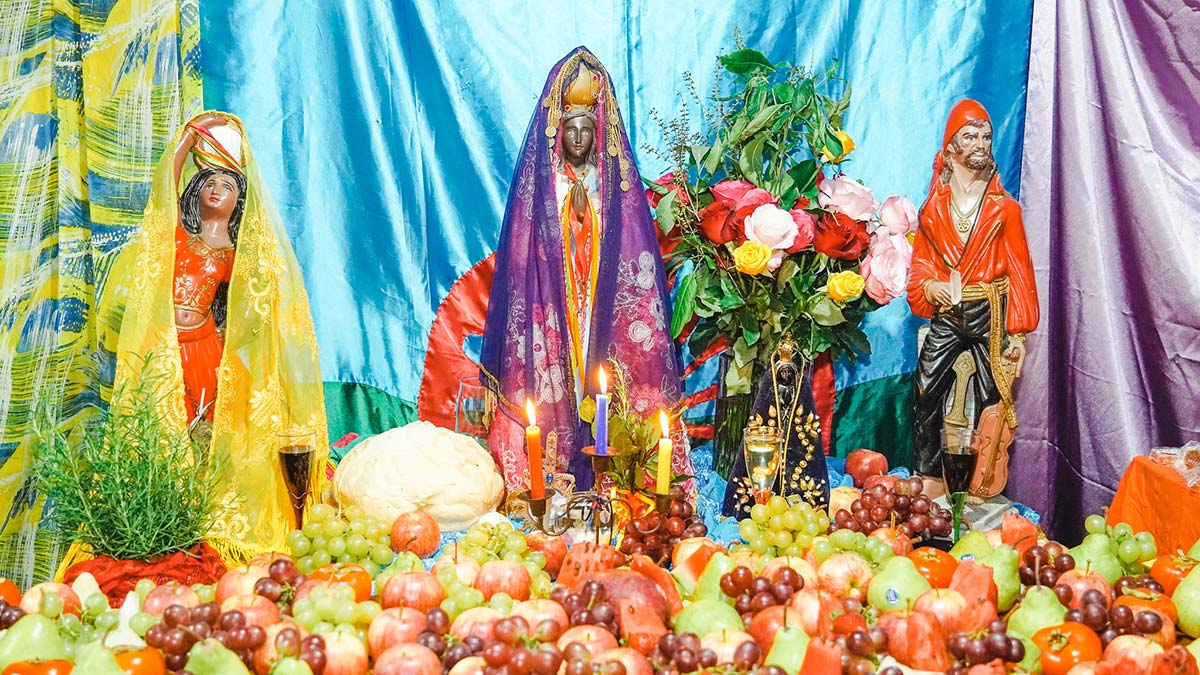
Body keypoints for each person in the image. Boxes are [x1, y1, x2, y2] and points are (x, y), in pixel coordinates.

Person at [105, 111, 328, 561]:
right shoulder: (177, 239)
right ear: (196, 191)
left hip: (207, 346)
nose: (215, 190)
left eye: (227, 186)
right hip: (167, 347)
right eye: (209, 183)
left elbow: (259, 301)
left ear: (238, 200)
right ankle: (167, 509)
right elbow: (163, 190)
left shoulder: (233, 254)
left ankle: (202, 512)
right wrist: (189, 139)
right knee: (165, 426)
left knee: (204, 427)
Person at [480, 47, 689, 492]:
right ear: (559, 135)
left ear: (598, 137)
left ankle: (617, 461)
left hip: (598, 299)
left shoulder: (608, 187)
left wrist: (589, 214)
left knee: (604, 375)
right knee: (560, 378)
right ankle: (550, 467)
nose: (578, 139)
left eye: (586, 132)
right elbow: (525, 251)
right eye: (570, 130)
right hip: (556, 303)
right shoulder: (546, 185)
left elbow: (627, 245)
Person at [906, 99, 1039, 497]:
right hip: (949, 313)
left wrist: (1018, 335)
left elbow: (1020, 272)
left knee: (989, 395)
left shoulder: (1005, 210)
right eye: (970, 135)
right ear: (951, 147)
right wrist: (931, 287)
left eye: (985, 136)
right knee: (927, 386)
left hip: (989, 311)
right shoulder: (933, 209)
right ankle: (929, 474)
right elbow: (921, 267)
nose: (979, 142)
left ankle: (979, 479)